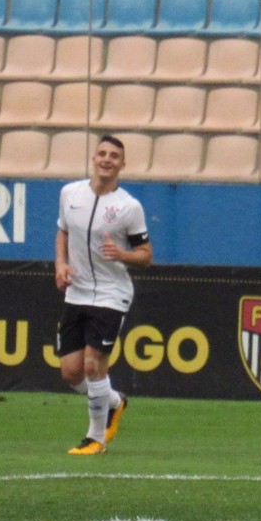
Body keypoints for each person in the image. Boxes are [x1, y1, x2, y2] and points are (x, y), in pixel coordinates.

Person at [55, 135, 152, 456]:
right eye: (102, 153)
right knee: (71, 372)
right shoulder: (70, 193)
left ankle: (96, 438)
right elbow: (63, 230)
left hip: (112, 294)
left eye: (114, 156)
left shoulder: (129, 207)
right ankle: (113, 401)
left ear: (122, 164)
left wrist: (122, 255)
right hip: (77, 292)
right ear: (94, 158)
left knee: (94, 365)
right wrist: (60, 263)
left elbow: (146, 254)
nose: (107, 159)